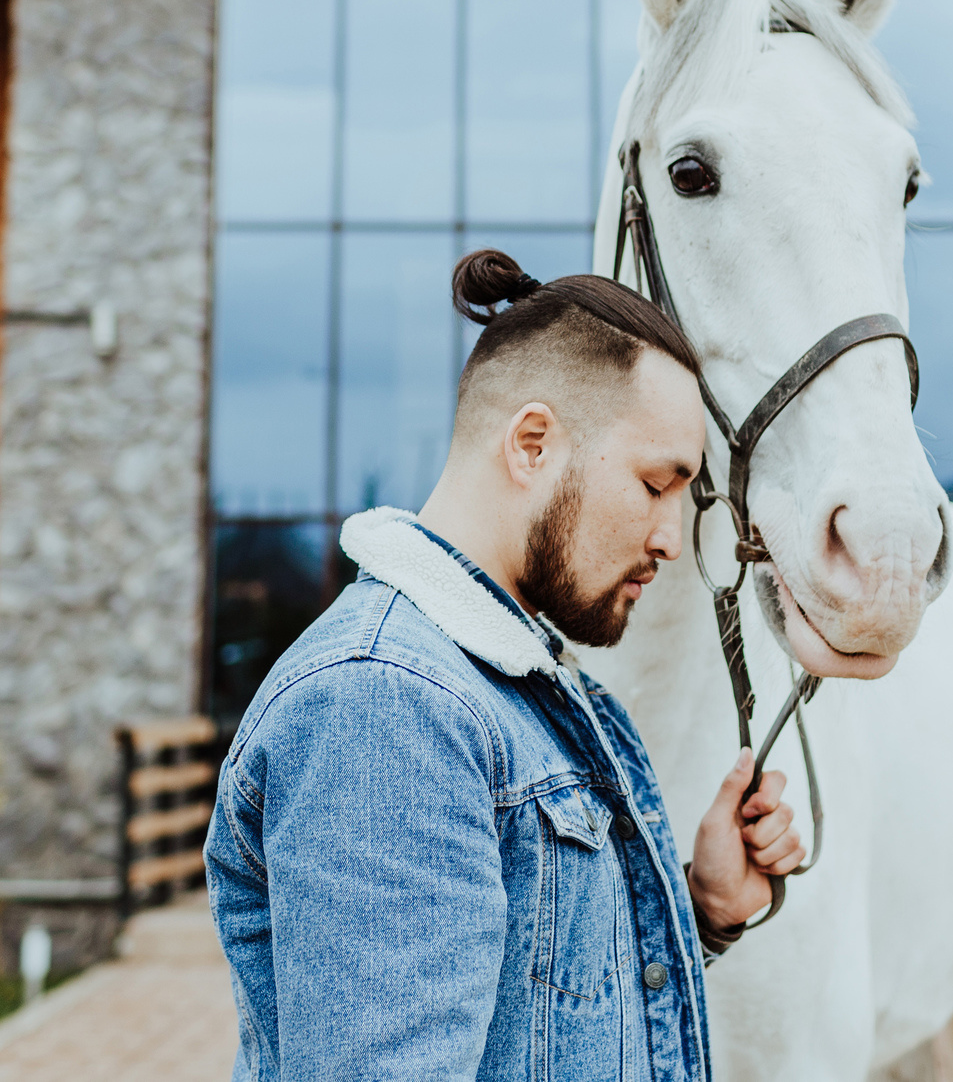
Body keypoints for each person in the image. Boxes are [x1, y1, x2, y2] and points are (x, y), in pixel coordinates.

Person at [206, 249, 806, 1080]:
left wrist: (702, 905)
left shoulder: (508, 684)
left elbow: (537, 1024)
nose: (672, 538)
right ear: (531, 444)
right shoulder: (386, 704)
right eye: (654, 483)